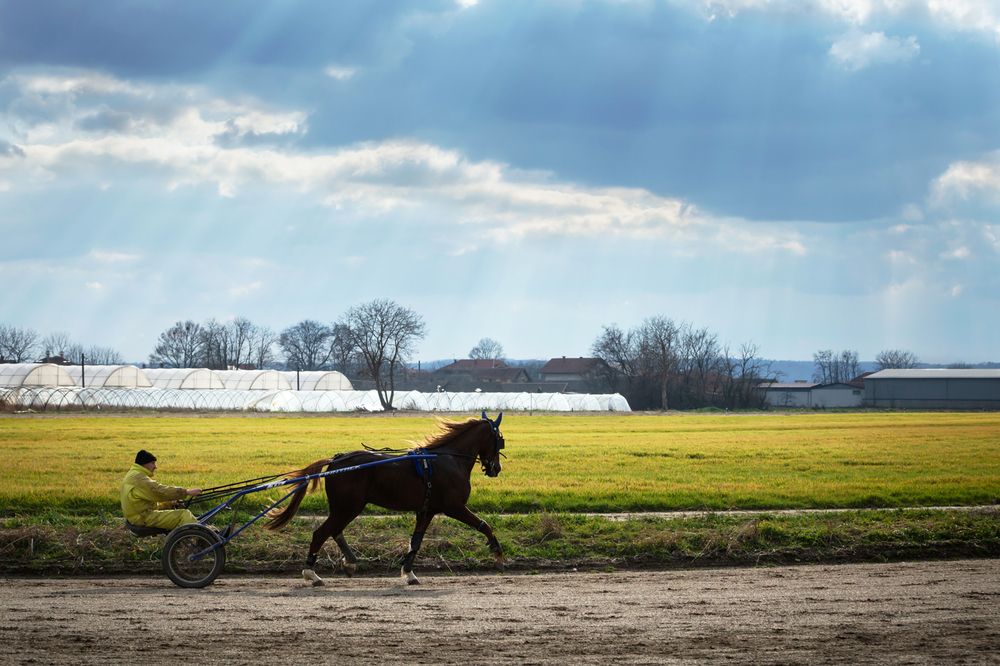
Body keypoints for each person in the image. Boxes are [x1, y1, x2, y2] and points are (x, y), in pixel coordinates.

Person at [121, 450, 202, 530]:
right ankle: (200, 539)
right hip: (142, 518)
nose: (155, 467)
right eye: (153, 463)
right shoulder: (138, 479)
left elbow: (151, 500)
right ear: (145, 464)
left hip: (138, 515)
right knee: (184, 515)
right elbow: (160, 492)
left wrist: (170, 503)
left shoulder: (133, 474)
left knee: (172, 506)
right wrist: (187, 492)